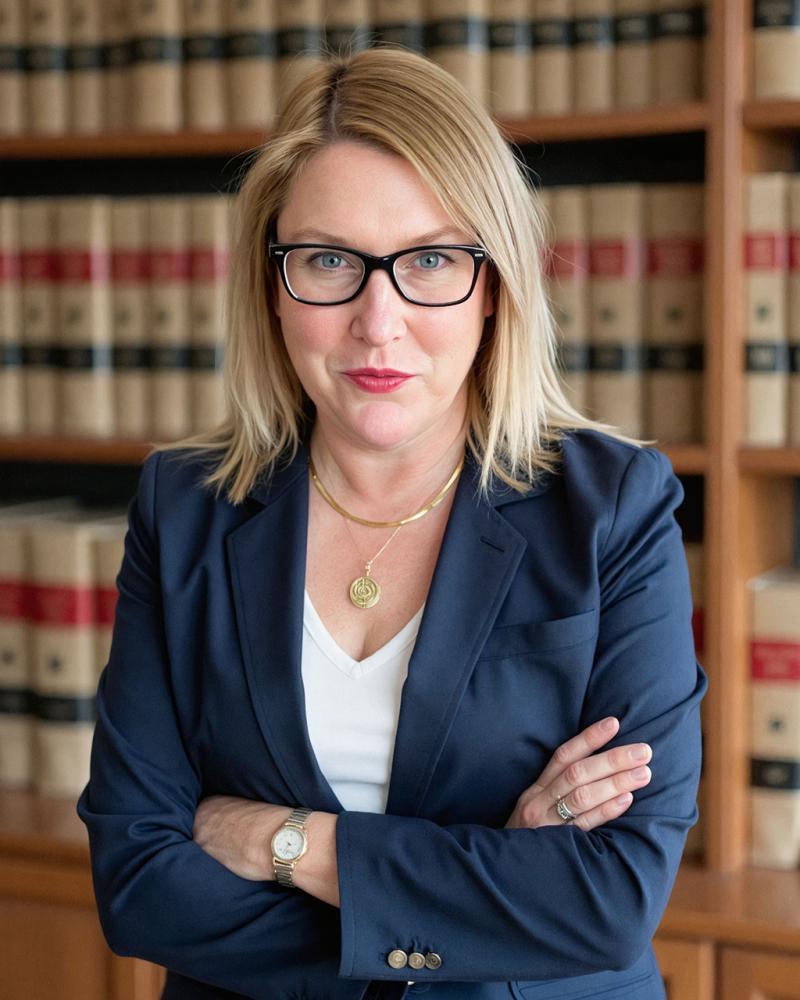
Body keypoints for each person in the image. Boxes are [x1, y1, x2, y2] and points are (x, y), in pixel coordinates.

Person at [77, 46, 706, 1000]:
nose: (380, 320)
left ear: (495, 288)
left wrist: (282, 840)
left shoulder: (613, 508)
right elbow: (139, 886)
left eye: (431, 260)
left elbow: (608, 900)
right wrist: (485, 878)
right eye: (329, 260)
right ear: (270, 283)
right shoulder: (184, 509)